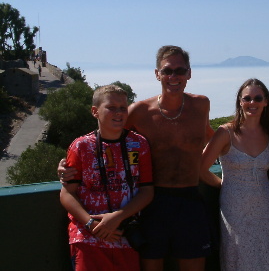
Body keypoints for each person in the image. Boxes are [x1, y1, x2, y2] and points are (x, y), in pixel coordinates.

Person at [59, 46, 214, 271]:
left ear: (189, 73)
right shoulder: (140, 111)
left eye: (180, 71)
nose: (173, 77)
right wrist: (66, 165)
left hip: (190, 199)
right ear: (157, 74)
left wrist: (250, 155)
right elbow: (102, 137)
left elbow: (210, 136)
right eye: (167, 70)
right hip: (152, 203)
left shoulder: (201, 105)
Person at [201, 78, 269, 271]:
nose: (252, 103)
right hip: (234, 209)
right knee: (238, 258)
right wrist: (222, 184)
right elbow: (200, 168)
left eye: (257, 98)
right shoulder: (226, 132)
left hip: (264, 209)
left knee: (266, 256)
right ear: (240, 102)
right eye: (247, 98)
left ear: (266, 102)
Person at [60, 85, 154, 271]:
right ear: (95, 111)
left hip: (124, 236)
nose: (118, 113)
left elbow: (147, 190)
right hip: (87, 239)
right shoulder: (81, 147)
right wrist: (90, 223)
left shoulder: (138, 144)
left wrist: (117, 218)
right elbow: (66, 193)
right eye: (111, 107)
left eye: (122, 108)